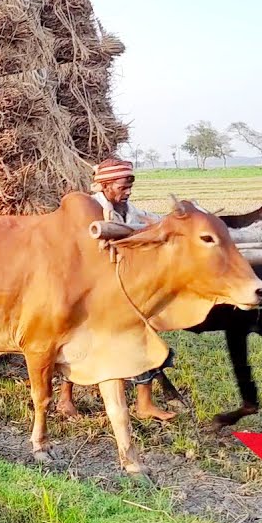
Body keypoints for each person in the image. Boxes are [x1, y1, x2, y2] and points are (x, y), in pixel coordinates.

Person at [77, 157, 177, 421]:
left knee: (142, 334)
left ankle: (144, 405)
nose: (128, 190)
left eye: (131, 184)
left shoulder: (128, 209)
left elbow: (152, 221)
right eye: (123, 185)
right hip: (91, 287)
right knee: (82, 341)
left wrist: (177, 223)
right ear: (106, 185)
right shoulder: (88, 210)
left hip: (122, 285)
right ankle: (66, 398)